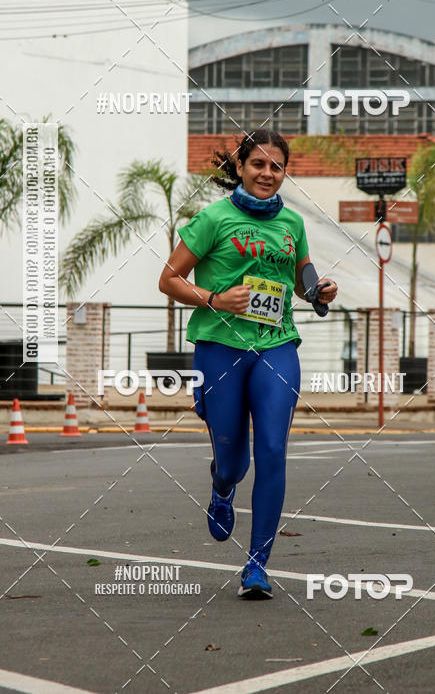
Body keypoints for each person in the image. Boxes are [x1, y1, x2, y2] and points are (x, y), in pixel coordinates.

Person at [158, 129, 337, 599]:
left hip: (277, 345)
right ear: (240, 167)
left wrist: (318, 292)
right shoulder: (213, 219)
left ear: (284, 173)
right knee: (234, 459)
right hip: (220, 347)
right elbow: (169, 280)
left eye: (276, 167)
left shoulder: (292, 225)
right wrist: (216, 297)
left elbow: (302, 279)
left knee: (273, 448)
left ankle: (257, 565)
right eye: (258, 164)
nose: (267, 174)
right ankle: (221, 485)